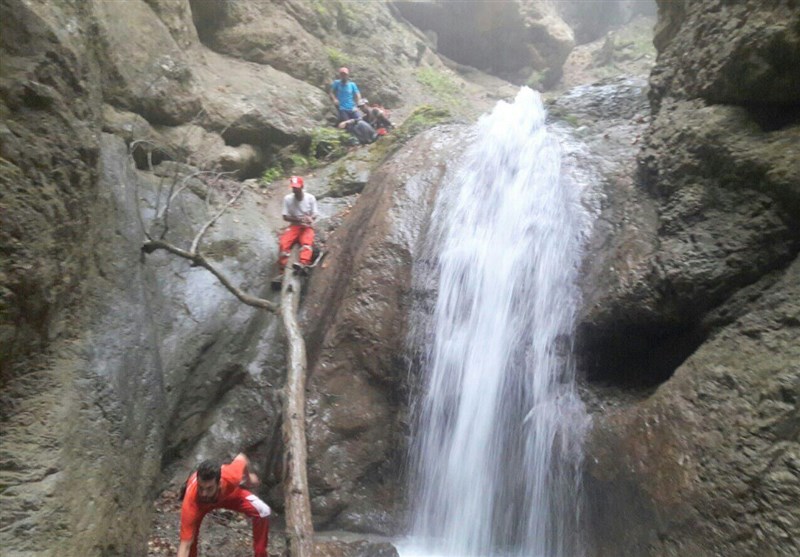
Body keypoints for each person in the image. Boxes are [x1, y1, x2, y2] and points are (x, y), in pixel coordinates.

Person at [177, 453, 270, 557]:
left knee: (263, 510)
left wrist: (248, 479)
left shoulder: (230, 476)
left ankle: (261, 554)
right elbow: (184, 545)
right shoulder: (191, 502)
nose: (204, 493)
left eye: (209, 488)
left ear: (219, 483)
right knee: (191, 541)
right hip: (199, 505)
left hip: (228, 496)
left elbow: (242, 457)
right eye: (201, 488)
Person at [279, 175, 318, 273]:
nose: (295, 190)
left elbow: (315, 213)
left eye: (297, 187)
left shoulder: (310, 198)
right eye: (294, 188)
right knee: (284, 243)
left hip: (307, 226)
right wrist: (298, 220)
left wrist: (310, 218)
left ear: (302, 187)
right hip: (294, 225)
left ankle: (303, 264)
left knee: (307, 242)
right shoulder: (288, 199)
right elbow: (285, 216)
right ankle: (285, 267)